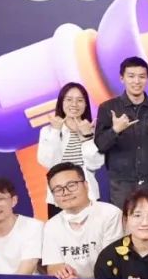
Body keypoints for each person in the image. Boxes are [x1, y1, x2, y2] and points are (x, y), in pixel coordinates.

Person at [93, 56, 148, 214]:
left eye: (142, 76)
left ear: (147, 79)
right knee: (123, 224)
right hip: (121, 183)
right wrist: (115, 130)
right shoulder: (108, 108)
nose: (136, 81)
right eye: (131, 76)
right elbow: (101, 145)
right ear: (122, 78)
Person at [41, 163, 124, 279]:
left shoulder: (110, 214)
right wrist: (62, 273)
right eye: (58, 189)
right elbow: (53, 266)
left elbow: (112, 262)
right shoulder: (51, 225)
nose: (66, 192)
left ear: (86, 185)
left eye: (71, 185)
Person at [37, 82, 104, 218]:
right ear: (61, 103)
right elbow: (48, 163)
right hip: (58, 197)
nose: (74, 104)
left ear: (86, 104)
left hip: (88, 196)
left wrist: (87, 136)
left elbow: (96, 164)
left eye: (80, 100)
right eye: (69, 99)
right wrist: (56, 131)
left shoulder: (93, 130)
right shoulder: (48, 131)